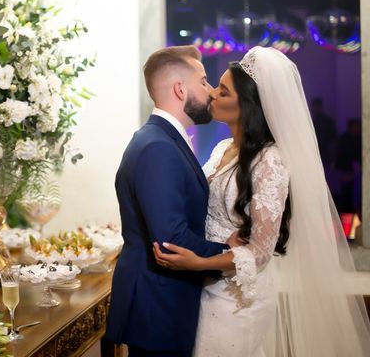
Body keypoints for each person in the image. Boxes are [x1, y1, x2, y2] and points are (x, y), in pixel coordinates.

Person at [153, 47, 370, 356]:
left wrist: (199, 263)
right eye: (216, 85)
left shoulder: (270, 160)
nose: (212, 94)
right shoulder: (221, 148)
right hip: (206, 288)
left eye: (223, 92)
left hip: (236, 298)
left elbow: (259, 252)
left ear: (249, 107)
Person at [106, 45, 233, 357]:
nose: (210, 91)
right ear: (180, 89)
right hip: (159, 308)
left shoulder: (160, 139)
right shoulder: (158, 147)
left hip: (162, 305)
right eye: (203, 81)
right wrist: (231, 254)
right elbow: (170, 240)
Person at [311, 97, 337, 167]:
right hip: (317, 147)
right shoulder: (313, 121)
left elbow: (333, 134)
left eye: (317, 106)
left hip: (326, 147)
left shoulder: (327, 120)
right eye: (315, 106)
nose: (316, 108)